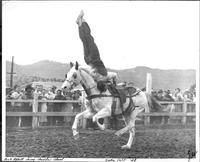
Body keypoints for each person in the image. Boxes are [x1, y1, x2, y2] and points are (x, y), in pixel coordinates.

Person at [76, 10, 117, 85]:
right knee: (84, 40)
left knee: (88, 39)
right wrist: (113, 83)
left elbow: (115, 74)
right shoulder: (97, 77)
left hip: (94, 59)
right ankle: (80, 24)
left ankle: (82, 22)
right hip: (88, 60)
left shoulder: (105, 76)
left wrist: (114, 82)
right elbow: (114, 75)